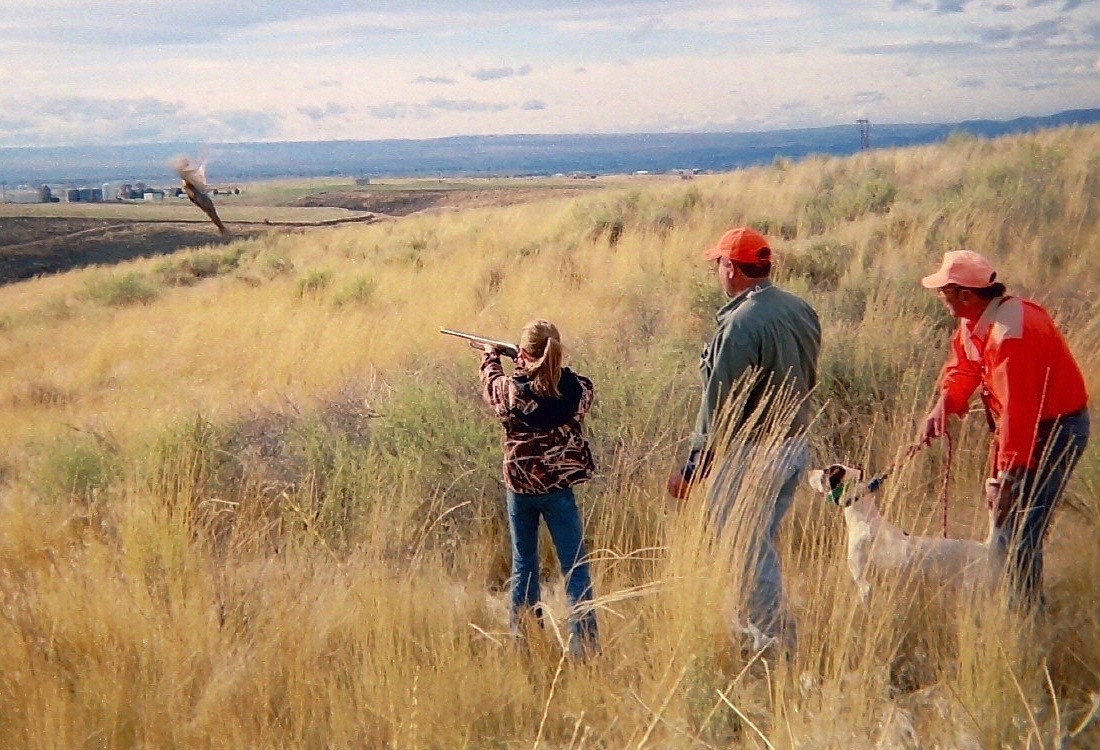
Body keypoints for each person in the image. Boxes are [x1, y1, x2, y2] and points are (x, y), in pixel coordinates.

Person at [668, 226, 821, 653]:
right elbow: (810, 376)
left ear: (731, 268)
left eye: (718, 263)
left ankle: (775, 642)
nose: (717, 271)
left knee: (746, 550)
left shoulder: (739, 323)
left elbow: (718, 404)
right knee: (758, 544)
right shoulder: (799, 308)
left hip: (753, 453)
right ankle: (750, 633)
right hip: (794, 447)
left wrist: (693, 467)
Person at [918, 250, 1089, 611]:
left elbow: (1019, 413)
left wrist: (1008, 476)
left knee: (1021, 531)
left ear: (965, 294)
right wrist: (944, 405)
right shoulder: (975, 322)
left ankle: (1025, 618)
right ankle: (1011, 605)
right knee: (1008, 525)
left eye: (943, 292)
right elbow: (963, 366)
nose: (940, 298)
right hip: (1027, 428)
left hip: (1055, 431)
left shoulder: (1012, 335)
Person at [477, 319, 599, 659]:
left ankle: (525, 643)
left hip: (520, 488)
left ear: (524, 354)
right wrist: (538, 365)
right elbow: (579, 387)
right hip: (559, 486)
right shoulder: (574, 388)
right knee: (574, 565)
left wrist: (490, 356)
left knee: (524, 562)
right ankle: (584, 647)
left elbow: (491, 385)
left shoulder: (512, 391)